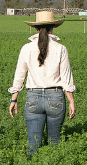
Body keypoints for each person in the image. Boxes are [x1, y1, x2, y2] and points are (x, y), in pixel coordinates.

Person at [9, 11, 76, 154]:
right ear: (53, 28)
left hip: (33, 97)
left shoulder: (26, 48)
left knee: (33, 143)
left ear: (36, 28)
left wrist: (13, 99)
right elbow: (66, 78)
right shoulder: (61, 48)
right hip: (56, 97)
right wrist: (71, 101)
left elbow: (19, 76)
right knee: (54, 142)